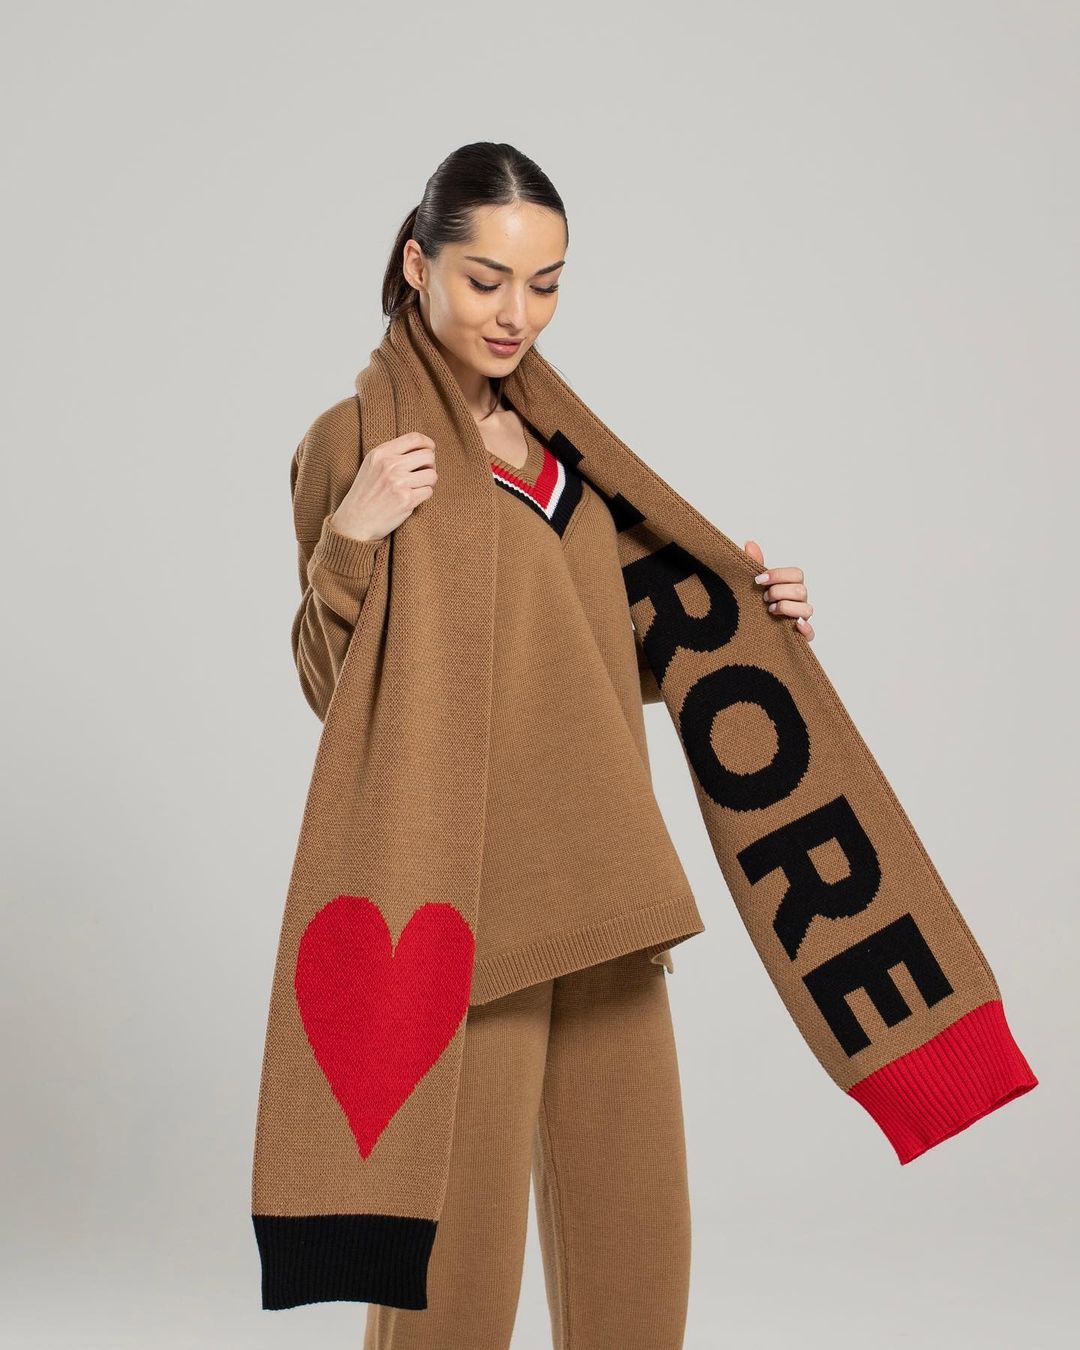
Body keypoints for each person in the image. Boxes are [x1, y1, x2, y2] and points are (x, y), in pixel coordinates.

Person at [294, 142, 815, 1350]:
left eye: (546, 284)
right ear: (418, 264)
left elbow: (594, 656)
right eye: (487, 280)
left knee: (639, 1259)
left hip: (608, 883)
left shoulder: (563, 443)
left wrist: (752, 623)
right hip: (462, 908)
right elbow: (334, 691)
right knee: (450, 1280)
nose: (515, 314)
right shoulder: (358, 441)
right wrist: (353, 538)